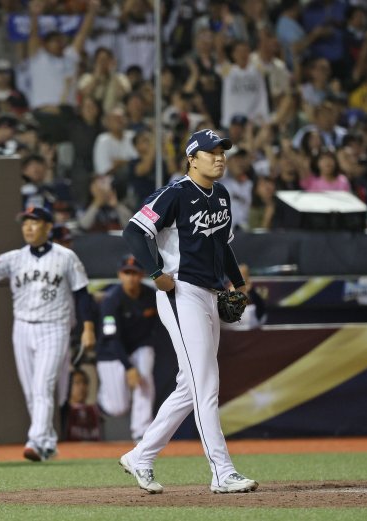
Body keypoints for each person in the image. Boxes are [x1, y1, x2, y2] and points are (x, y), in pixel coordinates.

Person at [120, 128, 258, 494]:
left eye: (222, 152)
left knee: (189, 385)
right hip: (182, 292)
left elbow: (222, 246)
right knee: (206, 383)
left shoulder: (222, 195)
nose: (219, 158)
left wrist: (237, 285)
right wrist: (155, 273)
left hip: (210, 293)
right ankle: (222, 472)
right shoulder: (175, 194)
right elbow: (134, 232)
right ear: (191, 158)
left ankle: (141, 455)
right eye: (211, 152)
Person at [0, 206, 95, 462]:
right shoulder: (15, 257)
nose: (28, 227)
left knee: (42, 386)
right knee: (31, 391)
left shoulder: (66, 257)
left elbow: (82, 294)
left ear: (47, 226)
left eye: (34, 222)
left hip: (54, 326)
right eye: (25, 223)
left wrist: (88, 328)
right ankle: (47, 443)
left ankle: (35, 441)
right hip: (22, 327)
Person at [96, 255, 159, 442]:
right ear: (120, 275)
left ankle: (142, 432)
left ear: (141, 275)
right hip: (111, 352)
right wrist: (129, 367)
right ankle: (101, 400)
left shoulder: (151, 296)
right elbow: (112, 338)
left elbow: (153, 330)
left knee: (145, 376)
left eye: (134, 273)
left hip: (139, 347)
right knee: (118, 408)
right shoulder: (111, 300)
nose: (131, 277)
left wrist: (136, 367)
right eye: (127, 273)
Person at [61, 368, 102, 441]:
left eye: (85, 383)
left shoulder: (94, 410)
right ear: (68, 386)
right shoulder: (63, 411)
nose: (82, 387)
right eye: (77, 383)